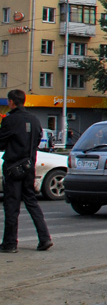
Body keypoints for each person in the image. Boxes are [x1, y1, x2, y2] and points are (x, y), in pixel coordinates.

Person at [0, 89, 52, 253]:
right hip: (29, 166)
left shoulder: (10, 120)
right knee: (31, 202)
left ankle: (10, 243)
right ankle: (44, 238)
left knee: (12, 205)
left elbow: (1, 143)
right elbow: (37, 141)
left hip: (13, 168)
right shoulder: (35, 119)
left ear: (11, 102)